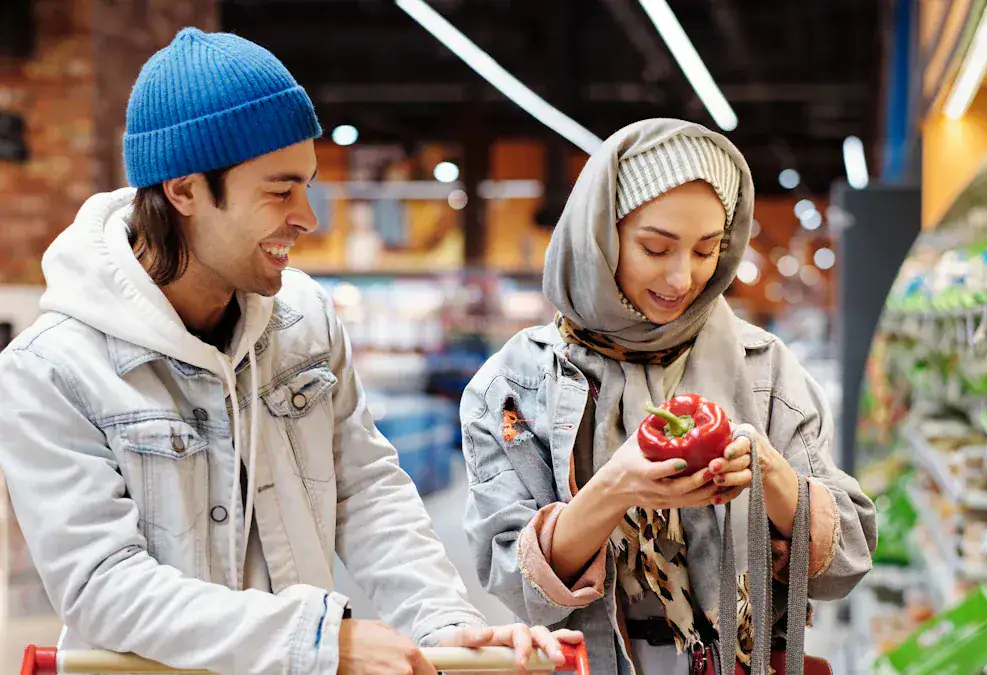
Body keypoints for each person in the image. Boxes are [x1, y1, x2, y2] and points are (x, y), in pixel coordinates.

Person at [0, 27, 578, 675]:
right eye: (280, 190)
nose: (308, 216)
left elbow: (366, 492)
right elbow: (104, 586)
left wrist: (443, 618)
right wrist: (319, 641)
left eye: (307, 185)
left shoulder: (305, 320)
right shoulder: (51, 370)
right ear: (184, 190)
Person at [460, 119, 877, 673]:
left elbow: (847, 561)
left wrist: (771, 476)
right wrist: (614, 488)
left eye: (707, 250)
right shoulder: (515, 386)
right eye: (655, 248)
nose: (682, 279)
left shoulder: (766, 369)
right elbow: (512, 581)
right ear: (601, 237)